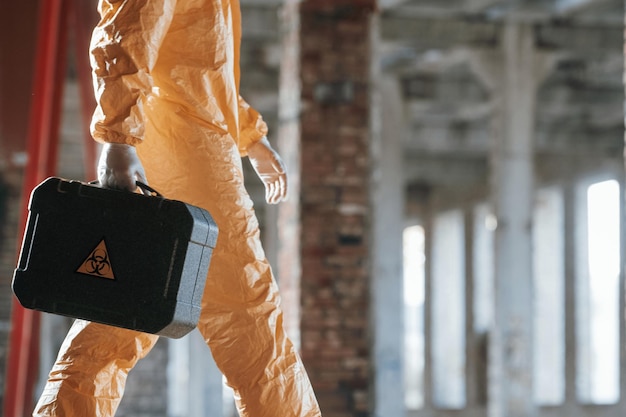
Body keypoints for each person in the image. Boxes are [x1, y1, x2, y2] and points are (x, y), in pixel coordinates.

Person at [32, 0, 321, 416]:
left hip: (191, 147)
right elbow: (127, 32)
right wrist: (117, 138)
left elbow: (200, 70)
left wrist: (251, 138)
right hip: (191, 158)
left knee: (122, 307)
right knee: (248, 313)